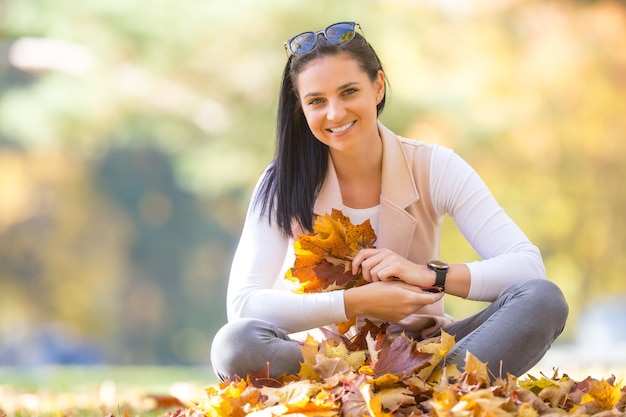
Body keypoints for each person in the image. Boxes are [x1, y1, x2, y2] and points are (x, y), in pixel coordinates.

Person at [210, 21, 568, 381]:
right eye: (316, 101)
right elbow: (243, 305)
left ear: (377, 87)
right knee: (234, 343)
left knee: (543, 299)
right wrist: (356, 302)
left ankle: (434, 391)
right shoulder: (281, 182)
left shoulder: (433, 166)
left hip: (430, 354)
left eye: (348, 92)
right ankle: (397, 398)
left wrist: (432, 276)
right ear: (301, 109)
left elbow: (527, 268)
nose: (334, 113)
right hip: (327, 364)